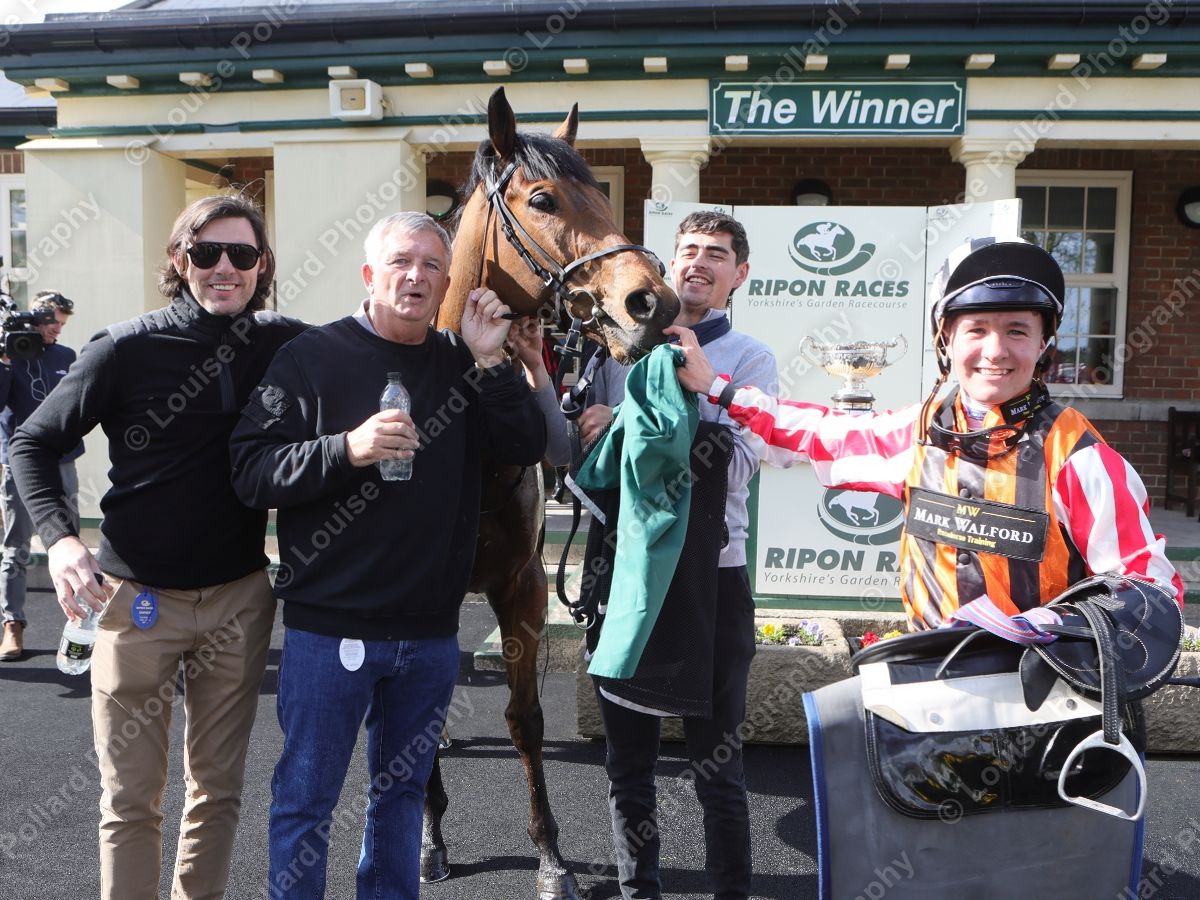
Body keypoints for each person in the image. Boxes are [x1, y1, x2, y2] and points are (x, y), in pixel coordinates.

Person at [228, 211, 546, 900]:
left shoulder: (461, 360)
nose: (417, 276)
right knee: (307, 799)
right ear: (370, 275)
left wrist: (493, 362)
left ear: (446, 283)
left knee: (401, 796)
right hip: (330, 632)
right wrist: (347, 448)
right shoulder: (312, 357)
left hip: (428, 636)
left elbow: (526, 445)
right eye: (402, 261)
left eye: (433, 265)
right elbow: (251, 471)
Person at [9, 194, 307, 900]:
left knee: (218, 790)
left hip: (238, 600)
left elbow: (379, 341)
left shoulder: (288, 345)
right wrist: (60, 540)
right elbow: (33, 441)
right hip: (134, 602)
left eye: (241, 254)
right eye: (206, 252)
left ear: (262, 265)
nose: (224, 267)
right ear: (179, 259)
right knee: (129, 800)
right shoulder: (123, 348)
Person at [671, 236, 1184, 626]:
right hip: (936, 691)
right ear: (946, 342)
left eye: (1017, 331)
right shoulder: (920, 433)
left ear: (1044, 345)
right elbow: (821, 432)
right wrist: (717, 387)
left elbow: (1151, 593)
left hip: (1047, 699)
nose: (995, 351)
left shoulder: (1080, 457)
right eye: (976, 330)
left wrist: (1050, 629)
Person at [514, 210, 778, 900]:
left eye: (716, 254)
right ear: (668, 264)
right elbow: (574, 461)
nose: (699, 262)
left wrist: (641, 421)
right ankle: (640, 891)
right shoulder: (617, 351)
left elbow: (741, 464)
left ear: (739, 275)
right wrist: (560, 394)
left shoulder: (751, 360)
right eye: (688, 249)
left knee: (718, 771)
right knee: (627, 766)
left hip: (710, 582)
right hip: (624, 576)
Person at [0, 291, 80, 660]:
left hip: (62, 460)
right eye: (52, 323)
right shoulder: (10, 353)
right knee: (16, 546)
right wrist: (3, 360)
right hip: (19, 463)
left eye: (62, 324)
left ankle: (80, 624)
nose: (57, 330)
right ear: (34, 319)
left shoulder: (67, 356)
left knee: (70, 543)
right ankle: (12, 625)